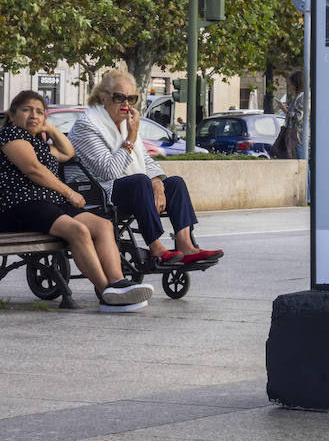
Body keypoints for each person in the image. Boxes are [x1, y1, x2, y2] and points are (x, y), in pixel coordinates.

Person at [0, 91, 154, 308]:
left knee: (103, 225)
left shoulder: (40, 144)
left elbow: (67, 152)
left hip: (48, 204)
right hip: (21, 205)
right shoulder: (11, 135)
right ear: (12, 114)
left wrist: (50, 128)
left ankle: (117, 282)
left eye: (39, 112)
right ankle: (106, 292)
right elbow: (33, 170)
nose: (34, 115)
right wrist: (69, 192)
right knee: (78, 230)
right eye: (27, 110)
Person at [69, 71, 223, 270]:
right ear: (103, 97)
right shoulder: (87, 126)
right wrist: (131, 139)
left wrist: (157, 182)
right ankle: (156, 247)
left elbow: (147, 162)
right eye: (119, 97)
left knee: (174, 183)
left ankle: (186, 246)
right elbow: (109, 171)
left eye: (131, 98)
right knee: (140, 181)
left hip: (130, 187)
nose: (126, 104)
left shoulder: (124, 125)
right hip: (97, 193)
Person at [284, 69, 307, 159]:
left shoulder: (302, 97)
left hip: (300, 138)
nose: (291, 87)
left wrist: (286, 111)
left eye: (292, 84)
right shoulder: (299, 96)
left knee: (303, 166)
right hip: (297, 138)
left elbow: (298, 117)